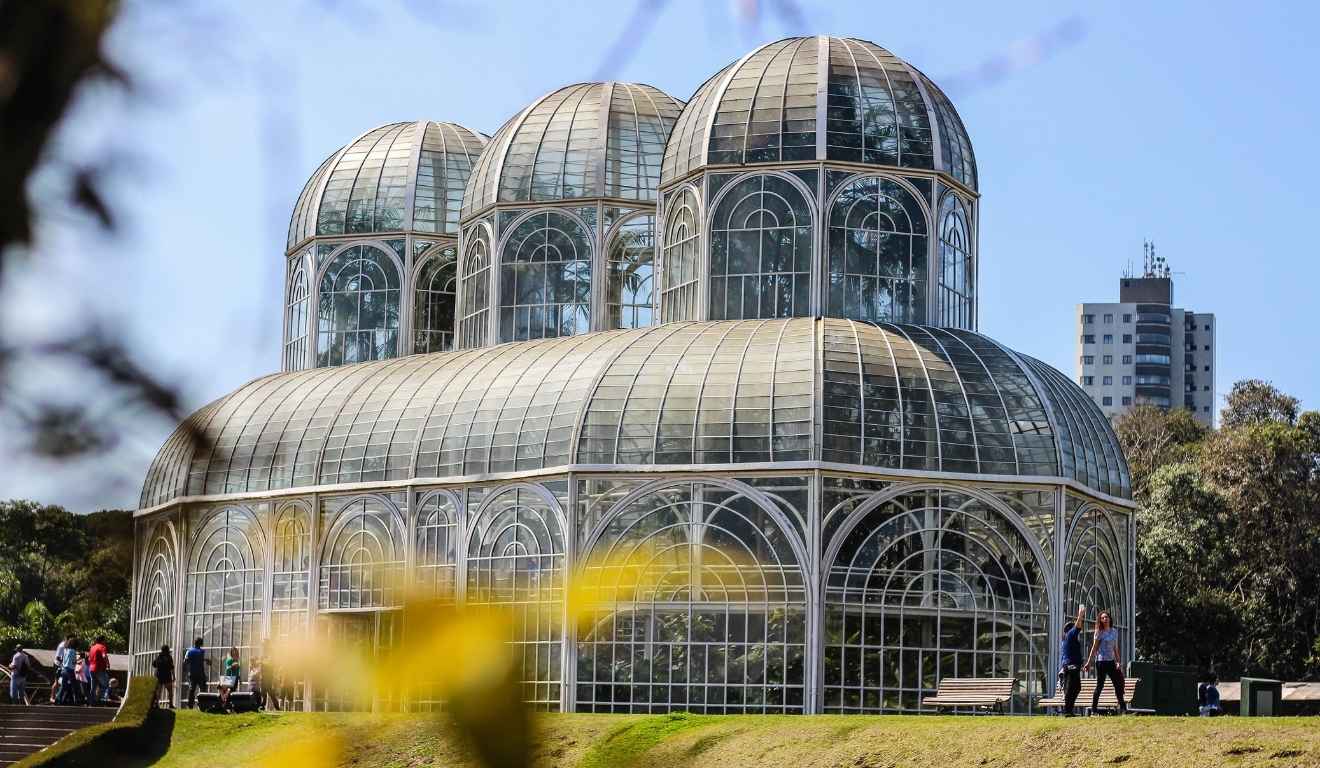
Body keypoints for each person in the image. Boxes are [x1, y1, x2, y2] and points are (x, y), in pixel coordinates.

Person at [1084, 610, 1128, 714]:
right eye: (1103, 618)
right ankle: (1094, 709)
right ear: (1100, 620)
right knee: (1100, 685)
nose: (1105, 619)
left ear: (1109, 619)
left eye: (1106, 617)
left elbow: (1115, 648)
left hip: (1111, 661)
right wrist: (1088, 662)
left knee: (1118, 684)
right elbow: (1094, 648)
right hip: (1101, 662)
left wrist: (1118, 662)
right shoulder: (1099, 632)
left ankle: (1123, 708)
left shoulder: (1114, 631)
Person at [1058, 604, 1086, 716]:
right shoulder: (1070, 635)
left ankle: (1069, 710)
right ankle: (1067, 711)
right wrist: (1080, 614)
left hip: (1069, 665)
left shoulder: (1065, 640)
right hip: (1071, 665)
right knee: (1071, 688)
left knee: (1076, 687)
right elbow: (1077, 626)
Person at [183, 638, 211, 708]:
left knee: (192, 689)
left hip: (192, 673)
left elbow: (185, 661)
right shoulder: (202, 651)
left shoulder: (189, 651)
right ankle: (203, 704)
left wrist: (185, 670)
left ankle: (190, 705)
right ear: (201, 644)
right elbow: (207, 661)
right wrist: (206, 661)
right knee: (203, 689)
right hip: (200, 673)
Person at [88, 636, 110, 704]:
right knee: (106, 684)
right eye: (104, 640)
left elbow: (89, 659)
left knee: (93, 686)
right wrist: (108, 664)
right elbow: (104, 656)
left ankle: (91, 701)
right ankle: (101, 700)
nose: (105, 642)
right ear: (102, 641)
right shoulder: (102, 647)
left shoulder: (92, 647)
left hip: (91, 669)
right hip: (99, 669)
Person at [152, 645, 175, 709]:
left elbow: (154, 665)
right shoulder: (169, 657)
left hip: (159, 676)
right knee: (170, 691)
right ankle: (171, 704)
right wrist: (174, 676)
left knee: (159, 691)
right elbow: (172, 668)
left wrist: (155, 675)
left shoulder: (158, 657)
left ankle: (157, 704)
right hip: (167, 676)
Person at [56, 638, 78, 705]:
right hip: (70, 670)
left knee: (63, 686)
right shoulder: (73, 651)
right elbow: (73, 662)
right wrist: (78, 660)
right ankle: (76, 700)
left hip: (64, 669)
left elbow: (63, 660)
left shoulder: (66, 650)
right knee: (74, 686)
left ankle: (58, 699)